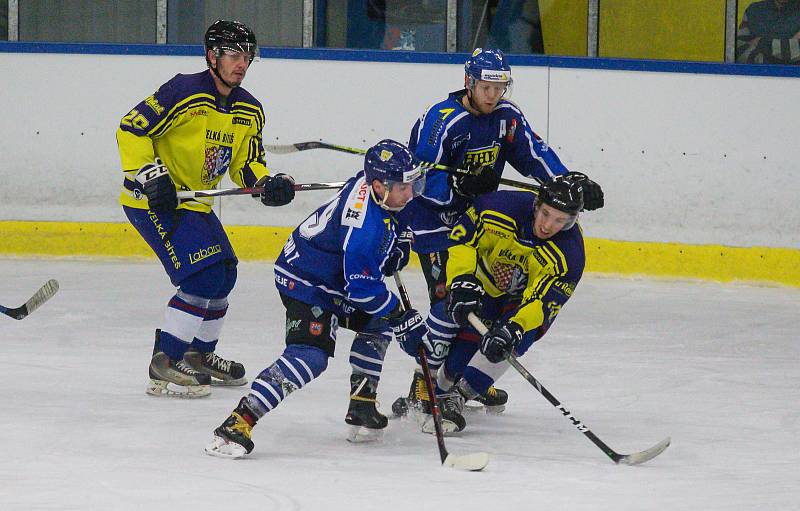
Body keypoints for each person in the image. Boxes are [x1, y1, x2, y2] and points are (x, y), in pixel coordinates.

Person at [393, 47, 602, 427]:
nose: (493, 95)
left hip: (481, 217)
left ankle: (462, 376)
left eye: (499, 86)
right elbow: (418, 180)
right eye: (486, 86)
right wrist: (457, 185)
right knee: (450, 302)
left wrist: (569, 183)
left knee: (485, 302)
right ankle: (424, 385)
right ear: (469, 82)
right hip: (436, 224)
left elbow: (534, 154)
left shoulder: (507, 116)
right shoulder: (443, 120)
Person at [205, 139, 432, 458]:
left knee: (377, 323)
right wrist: (402, 318)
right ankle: (237, 423)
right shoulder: (365, 230)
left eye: (412, 184)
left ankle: (362, 405)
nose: (410, 194)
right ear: (379, 186)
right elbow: (362, 290)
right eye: (403, 187)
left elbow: (400, 214)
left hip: (334, 272)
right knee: (310, 356)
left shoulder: (376, 187)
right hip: (306, 279)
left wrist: (402, 242)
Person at [116, 20, 296, 398]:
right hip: (152, 201)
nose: (242, 63)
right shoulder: (183, 91)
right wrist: (152, 175)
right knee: (200, 279)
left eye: (247, 56)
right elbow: (131, 129)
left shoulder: (249, 110)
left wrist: (267, 184)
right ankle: (165, 360)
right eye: (233, 54)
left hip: (194, 203)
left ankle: (199, 355)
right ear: (212, 56)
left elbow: (246, 165)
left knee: (224, 275)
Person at [429, 173, 586, 433]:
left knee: (514, 340)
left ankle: (460, 396)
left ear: (571, 221)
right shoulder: (497, 207)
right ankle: (434, 389)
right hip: (481, 285)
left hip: (519, 302)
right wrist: (462, 279)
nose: (548, 226)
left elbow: (543, 303)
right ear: (537, 206)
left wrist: (513, 328)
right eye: (546, 214)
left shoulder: (570, 255)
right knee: (457, 339)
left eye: (559, 220)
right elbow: (462, 241)